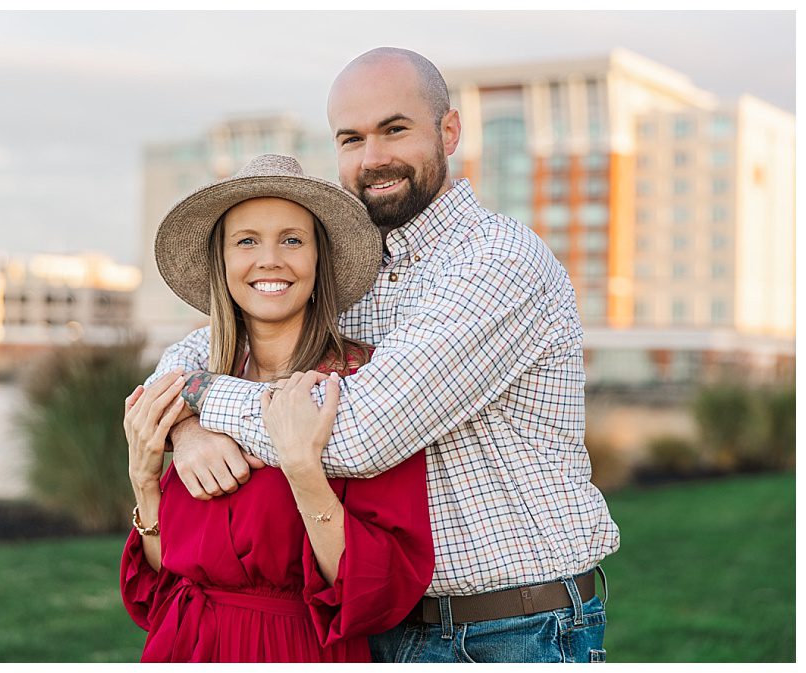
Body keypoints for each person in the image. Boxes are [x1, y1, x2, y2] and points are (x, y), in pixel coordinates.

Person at [145, 47, 621, 663]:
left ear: (448, 131)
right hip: (368, 621)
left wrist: (202, 397)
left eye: (395, 129)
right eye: (351, 138)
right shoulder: (350, 283)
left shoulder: (497, 262)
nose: (374, 158)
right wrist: (185, 431)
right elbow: (181, 360)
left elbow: (360, 436)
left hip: (508, 626)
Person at [119, 153, 433, 663]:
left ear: (317, 259)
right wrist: (146, 481)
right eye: (246, 241)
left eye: (292, 239)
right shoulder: (194, 395)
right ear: (222, 262)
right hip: (187, 647)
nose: (270, 260)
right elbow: (162, 583)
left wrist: (304, 469)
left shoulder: (363, 388)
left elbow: (378, 593)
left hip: (296, 649)